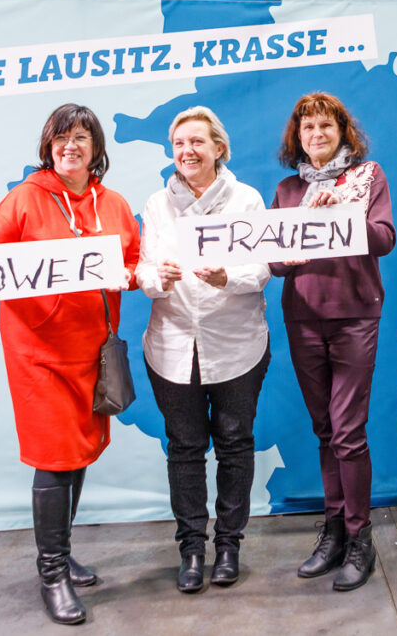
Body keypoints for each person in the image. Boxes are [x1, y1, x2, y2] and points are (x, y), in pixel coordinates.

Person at [0, 104, 141, 624]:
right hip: (38, 353)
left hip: (92, 350)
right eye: (62, 138)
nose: (71, 146)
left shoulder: (115, 204)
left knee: (79, 452)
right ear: (48, 147)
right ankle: (52, 574)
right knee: (55, 454)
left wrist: (137, 274)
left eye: (81, 137)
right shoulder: (22, 200)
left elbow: (131, 263)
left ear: (96, 148)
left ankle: (62, 552)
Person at [136, 106, 271, 593]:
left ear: (219, 148)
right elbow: (144, 271)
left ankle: (229, 545)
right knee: (186, 449)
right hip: (172, 348)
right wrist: (158, 280)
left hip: (236, 346)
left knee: (235, 445)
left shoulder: (247, 200)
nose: (187, 152)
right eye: (179, 144)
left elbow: (262, 270)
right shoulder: (157, 205)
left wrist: (225, 277)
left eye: (197, 142)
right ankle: (192, 548)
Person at [270, 92, 396, 592]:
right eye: (308, 129)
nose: (317, 135)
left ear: (344, 132)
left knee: (348, 432)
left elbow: (384, 238)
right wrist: (297, 233)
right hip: (302, 317)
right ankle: (335, 531)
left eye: (326, 126)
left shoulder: (368, 178)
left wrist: (341, 207)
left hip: (354, 316)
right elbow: (274, 260)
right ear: (297, 139)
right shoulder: (285, 189)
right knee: (325, 430)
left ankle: (360, 535)